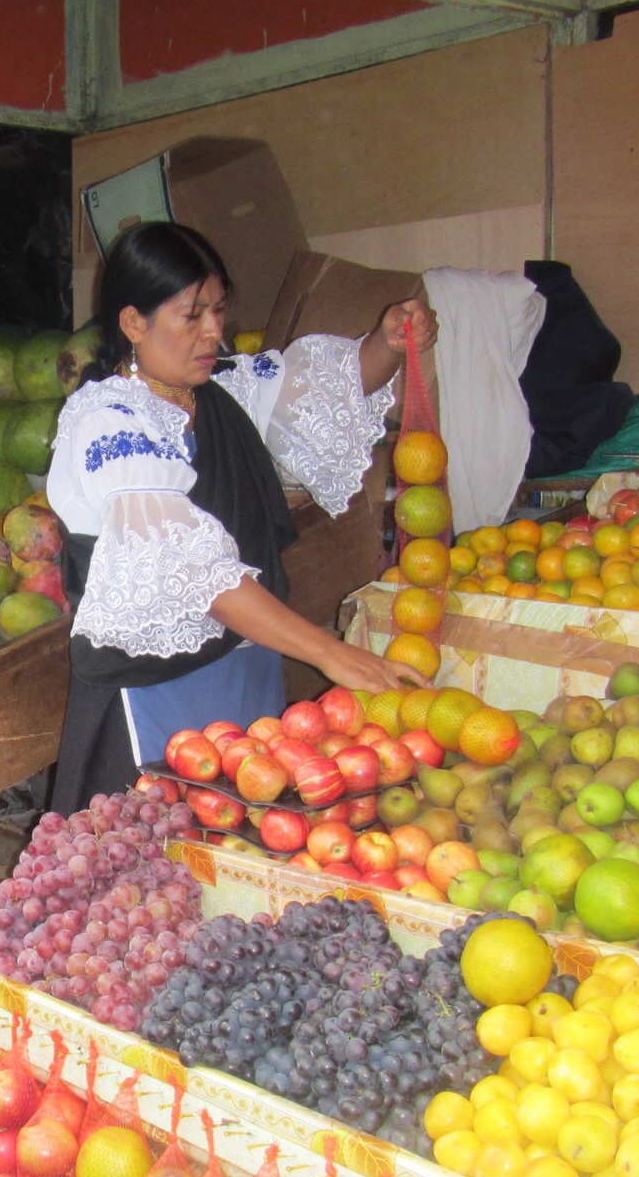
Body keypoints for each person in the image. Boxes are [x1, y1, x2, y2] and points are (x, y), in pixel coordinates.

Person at [47, 222, 436, 812]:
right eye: (191, 315)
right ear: (133, 323)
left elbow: (322, 392)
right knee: (159, 861)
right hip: (153, 693)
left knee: (248, 837)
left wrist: (387, 341)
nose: (213, 331)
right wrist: (329, 653)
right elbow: (188, 565)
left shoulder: (222, 393)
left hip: (246, 667)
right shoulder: (108, 419)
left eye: (219, 311)